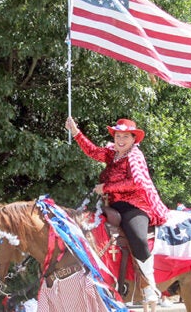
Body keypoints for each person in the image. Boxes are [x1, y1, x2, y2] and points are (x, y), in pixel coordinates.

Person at [65, 117, 169, 305]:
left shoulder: (135, 156)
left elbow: (136, 183)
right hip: (112, 205)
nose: (120, 140)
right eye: (118, 135)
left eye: (125, 136)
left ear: (133, 139)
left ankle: (149, 287)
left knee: (137, 237)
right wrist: (75, 132)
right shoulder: (113, 152)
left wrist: (106, 188)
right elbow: (94, 151)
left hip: (135, 205)